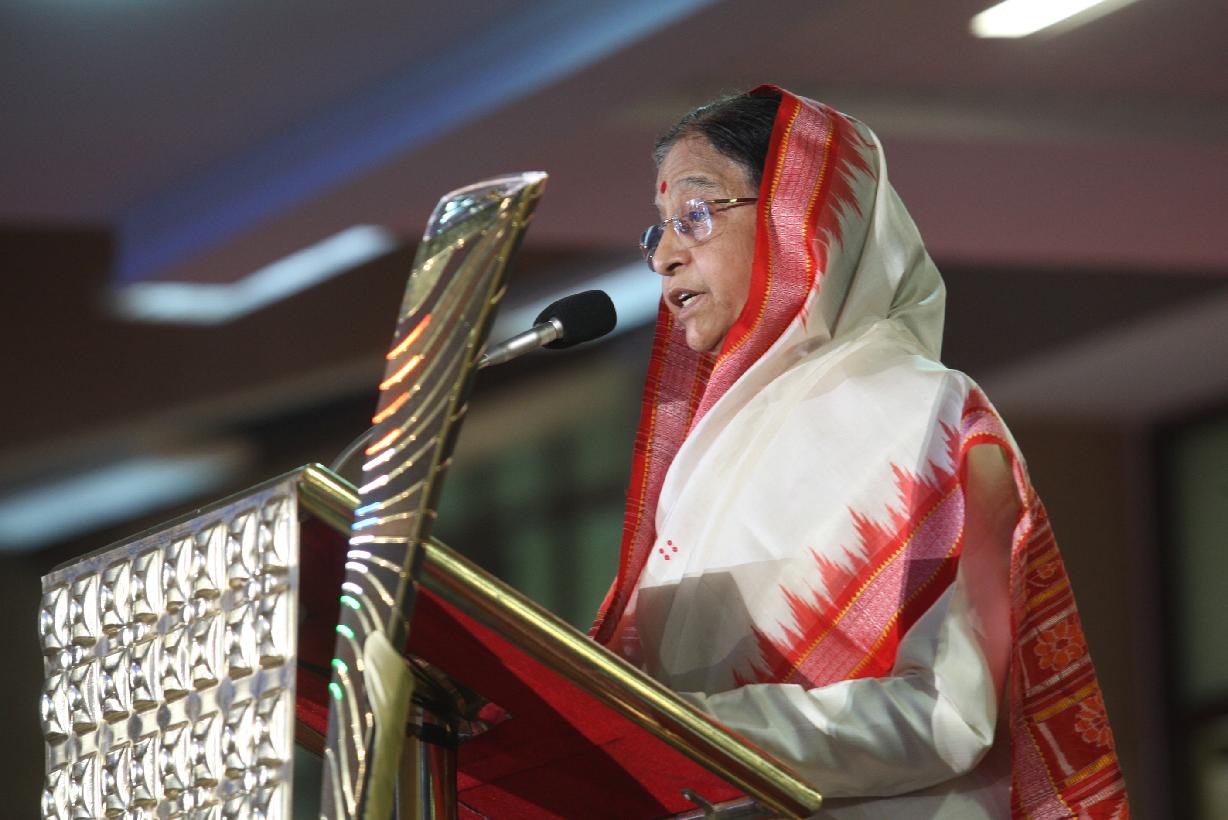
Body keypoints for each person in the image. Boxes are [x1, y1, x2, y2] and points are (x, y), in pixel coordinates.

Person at [589, 86, 1129, 818]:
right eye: (659, 229)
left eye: (696, 214)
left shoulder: (923, 415)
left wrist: (688, 732)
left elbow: (944, 714)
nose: (665, 257)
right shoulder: (708, 457)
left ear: (799, 214)